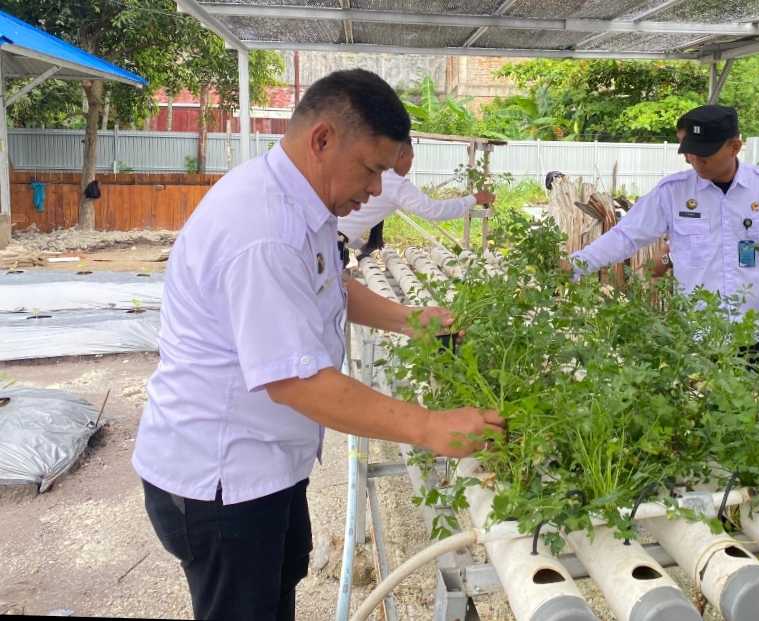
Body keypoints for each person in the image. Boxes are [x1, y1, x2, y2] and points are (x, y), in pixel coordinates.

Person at [132, 69, 503, 621]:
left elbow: (330, 283)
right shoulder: (263, 230)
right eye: (372, 169)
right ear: (323, 139)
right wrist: (429, 427)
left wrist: (413, 320)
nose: (376, 189)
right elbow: (296, 382)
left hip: (266, 465)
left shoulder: (299, 203)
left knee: (275, 595)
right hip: (223, 480)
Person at [569, 105, 759, 371]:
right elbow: (625, 236)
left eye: (704, 152)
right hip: (696, 335)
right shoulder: (672, 193)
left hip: (754, 334)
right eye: (689, 152)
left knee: (757, 396)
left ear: (734, 147)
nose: (695, 160)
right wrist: (575, 265)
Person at [337, 136, 495, 255]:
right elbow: (435, 210)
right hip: (331, 244)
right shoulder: (395, 183)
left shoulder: (373, 173)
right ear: (401, 156)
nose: (411, 164)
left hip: (329, 240)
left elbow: (347, 222)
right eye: (411, 158)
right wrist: (474, 199)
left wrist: (360, 244)